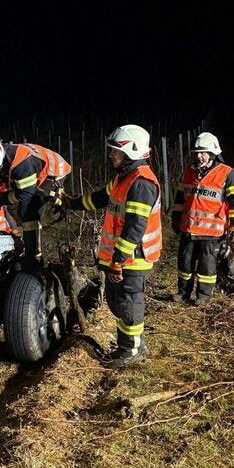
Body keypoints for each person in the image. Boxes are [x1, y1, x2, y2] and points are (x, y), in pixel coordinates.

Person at [64, 124, 162, 368]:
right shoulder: (123, 178)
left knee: (128, 302)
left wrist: (118, 260)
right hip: (120, 258)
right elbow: (99, 198)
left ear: (132, 152)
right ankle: (132, 343)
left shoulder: (140, 184)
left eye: (116, 151)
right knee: (117, 301)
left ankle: (130, 351)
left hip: (132, 257)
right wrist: (70, 203)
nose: (111, 155)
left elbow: (135, 228)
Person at [0, 137, 72, 262]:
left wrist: (1, 200)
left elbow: (26, 192)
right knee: (17, 207)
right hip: (29, 176)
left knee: (27, 210)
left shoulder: (21, 162)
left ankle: (34, 256)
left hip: (52, 173)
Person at [171, 132, 234, 306]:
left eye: (203, 152)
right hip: (188, 229)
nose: (199, 156)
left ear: (213, 153)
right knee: (185, 264)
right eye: (197, 152)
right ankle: (183, 293)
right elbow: (180, 198)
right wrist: (175, 218)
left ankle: (203, 296)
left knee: (207, 267)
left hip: (212, 232)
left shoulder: (227, 173)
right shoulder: (189, 172)